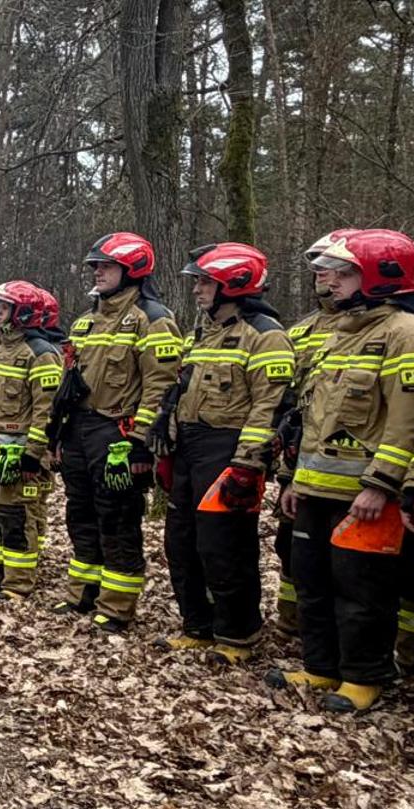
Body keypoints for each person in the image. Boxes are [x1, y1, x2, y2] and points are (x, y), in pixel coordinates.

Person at [270, 229, 414, 713]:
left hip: (365, 494)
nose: (330, 280)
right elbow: (314, 417)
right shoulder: (336, 334)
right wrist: (294, 479)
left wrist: (381, 485)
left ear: (378, 275)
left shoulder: (407, 334)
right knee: (311, 579)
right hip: (315, 487)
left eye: (345, 271)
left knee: (362, 589)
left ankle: (363, 677)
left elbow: (407, 422)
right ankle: (320, 667)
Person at [152, 243, 290, 663]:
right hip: (191, 447)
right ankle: (197, 625)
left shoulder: (265, 335)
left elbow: (268, 406)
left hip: (229, 449)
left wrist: (248, 463)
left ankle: (237, 634)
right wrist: (166, 428)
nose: (197, 289)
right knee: (181, 540)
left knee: (224, 545)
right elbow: (185, 388)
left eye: (205, 281)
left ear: (234, 283)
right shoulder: (203, 332)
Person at [54, 232, 184, 633]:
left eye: (105, 266)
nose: (97, 272)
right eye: (95, 266)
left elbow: (161, 386)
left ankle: (117, 605)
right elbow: (67, 382)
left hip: (118, 432)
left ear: (132, 270)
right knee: (80, 513)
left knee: (117, 517)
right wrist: (57, 433)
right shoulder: (86, 320)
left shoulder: (153, 319)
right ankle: (82, 593)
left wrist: (142, 443)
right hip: (80, 429)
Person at [273, 229, 357, 633]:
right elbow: (288, 400)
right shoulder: (300, 331)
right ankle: (296, 625)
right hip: (302, 458)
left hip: (357, 467)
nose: (322, 276)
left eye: (334, 268)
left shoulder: (376, 330)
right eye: (318, 268)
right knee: (291, 547)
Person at [0, 281, 63, 599]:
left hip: (18, 456)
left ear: (23, 313)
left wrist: (32, 455)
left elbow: (46, 411)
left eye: (4, 307)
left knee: (16, 518)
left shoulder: (40, 355)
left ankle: (18, 582)